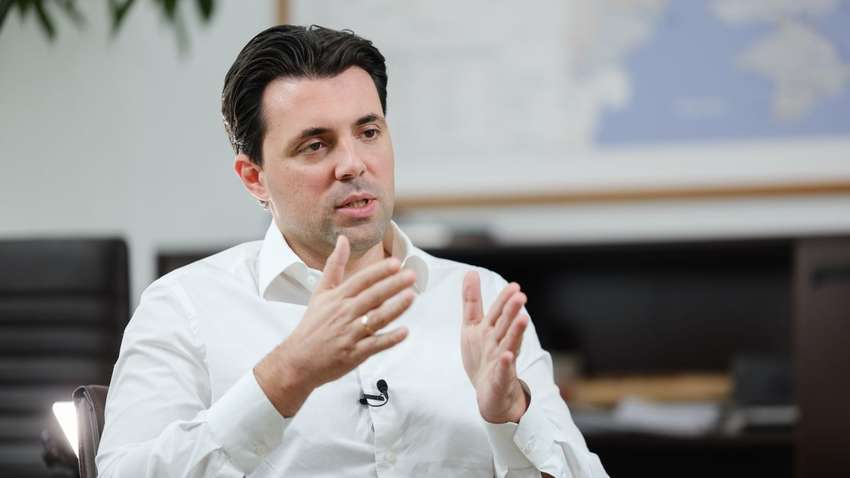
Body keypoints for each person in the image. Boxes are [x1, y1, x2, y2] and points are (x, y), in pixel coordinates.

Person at [96, 25, 607, 478]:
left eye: (368, 132)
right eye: (315, 145)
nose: (353, 164)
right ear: (254, 178)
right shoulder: (184, 308)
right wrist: (285, 376)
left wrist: (512, 412)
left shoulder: (480, 300)